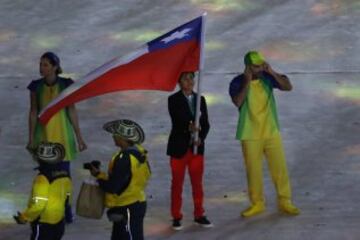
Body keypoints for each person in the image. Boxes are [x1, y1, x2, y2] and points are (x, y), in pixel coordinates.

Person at [229, 51, 300, 217]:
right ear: (247, 67)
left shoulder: (268, 77)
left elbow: (288, 87)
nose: (260, 68)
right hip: (249, 133)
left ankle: (285, 201)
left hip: (270, 130)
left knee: (279, 168)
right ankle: (257, 203)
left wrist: (272, 72)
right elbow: (238, 101)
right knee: (253, 171)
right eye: (256, 66)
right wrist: (247, 81)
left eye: (261, 64)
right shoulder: (237, 82)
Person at [27, 52, 87, 222]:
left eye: (45, 65)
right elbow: (33, 112)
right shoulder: (35, 87)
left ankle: (66, 210)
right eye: (41, 64)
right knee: (45, 175)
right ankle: (47, 209)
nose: (41, 68)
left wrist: (79, 137)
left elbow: (71, 110)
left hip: (63, 136)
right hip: (43, 136)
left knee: (64, 176)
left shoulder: (66, 85)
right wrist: (31, 138)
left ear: (54, 67)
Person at [88, 119, 151, 240]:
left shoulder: (124, 159)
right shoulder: (139, 153)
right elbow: (127, 179)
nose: (113, 137)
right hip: (137, 203)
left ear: (122, 138)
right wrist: (99, 174)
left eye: (115, 135)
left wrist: (98, 181)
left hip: (126, 208)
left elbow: (113, 187)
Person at [166, 72, 212, 230]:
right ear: (179, 82)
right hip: (179, 148)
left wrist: (201, 138)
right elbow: (177, 120)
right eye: (186, 78)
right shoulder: (173, 100)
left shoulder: (201, 99)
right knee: (177, 184)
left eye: (192, 78)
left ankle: (199, 214)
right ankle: (176, 216)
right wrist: (188, 127)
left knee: (197, 184)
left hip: (196, 150)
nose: (190, 81)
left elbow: (206, 124)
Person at [14, 142, 72, 240]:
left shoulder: (42, 178)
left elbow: (39, 205)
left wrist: (24, 217)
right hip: (59, 222)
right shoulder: (65, 174)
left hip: (44, 224)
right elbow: (68, 198)